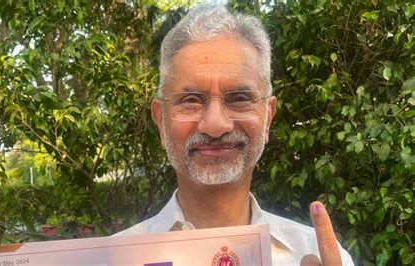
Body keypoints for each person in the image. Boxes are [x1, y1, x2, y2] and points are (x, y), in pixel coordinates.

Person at [116, 5, 354, 265]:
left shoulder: (318, 254)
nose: (215, 125)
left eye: (239, 98)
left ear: (267, 118)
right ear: (161, 121)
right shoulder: (112, 259)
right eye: (191, 100)